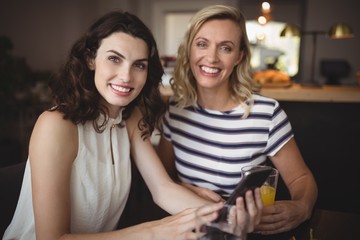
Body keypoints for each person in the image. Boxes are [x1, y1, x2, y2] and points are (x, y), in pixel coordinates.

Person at [3, 10, 263, 240]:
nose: (126, 76)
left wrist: (227, 217)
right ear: (90, 59)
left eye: (139, 65)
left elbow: (163, 189)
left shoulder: (130, 117)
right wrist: (154, 231)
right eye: (114, 59)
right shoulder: (56, 125)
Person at [157, 4, 318, 239]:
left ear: (239, 56)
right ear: (189, 50)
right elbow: (162, 179)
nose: (211, 58)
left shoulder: (267, 113)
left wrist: (302, 207)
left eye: (226, 48)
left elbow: (301, 179)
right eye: (202, 44)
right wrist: (187, 190)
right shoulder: (175, 110)